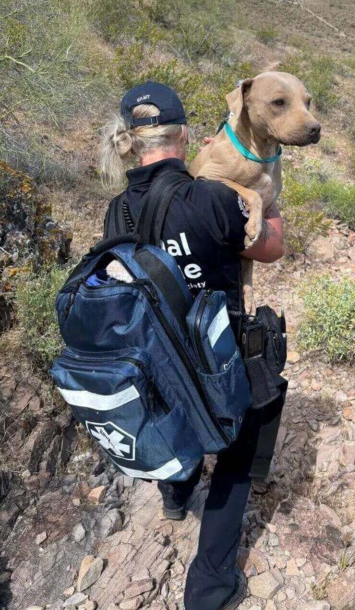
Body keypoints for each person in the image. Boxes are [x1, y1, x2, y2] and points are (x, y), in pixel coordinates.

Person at [100, 81, 284, 610]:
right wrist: (271, 206)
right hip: (220, 357)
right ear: (185, 136)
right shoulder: (213, 197)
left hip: (155, 356)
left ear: (132, 142)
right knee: (234, 456)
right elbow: (271, 248)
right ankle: (208, 586)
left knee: (173, 422)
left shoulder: (118, 210)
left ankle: (176, 498)